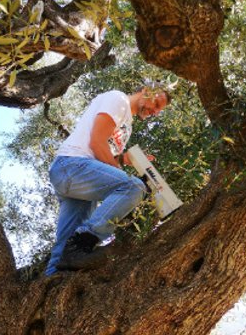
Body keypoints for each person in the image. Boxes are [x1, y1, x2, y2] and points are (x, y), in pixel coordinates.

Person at [45, 84, 171, 275]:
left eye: (158, 111)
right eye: (156, 103)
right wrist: (122, 176)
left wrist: (123, 159)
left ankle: (51, 281)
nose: (154, 111)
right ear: (146, 90)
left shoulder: (127, 126)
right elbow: (96, 143)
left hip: (81, 182)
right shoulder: (118, 100)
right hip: (72, 166)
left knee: (66, 249)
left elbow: (105, 155)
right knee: (133, 186)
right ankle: (85, 241)